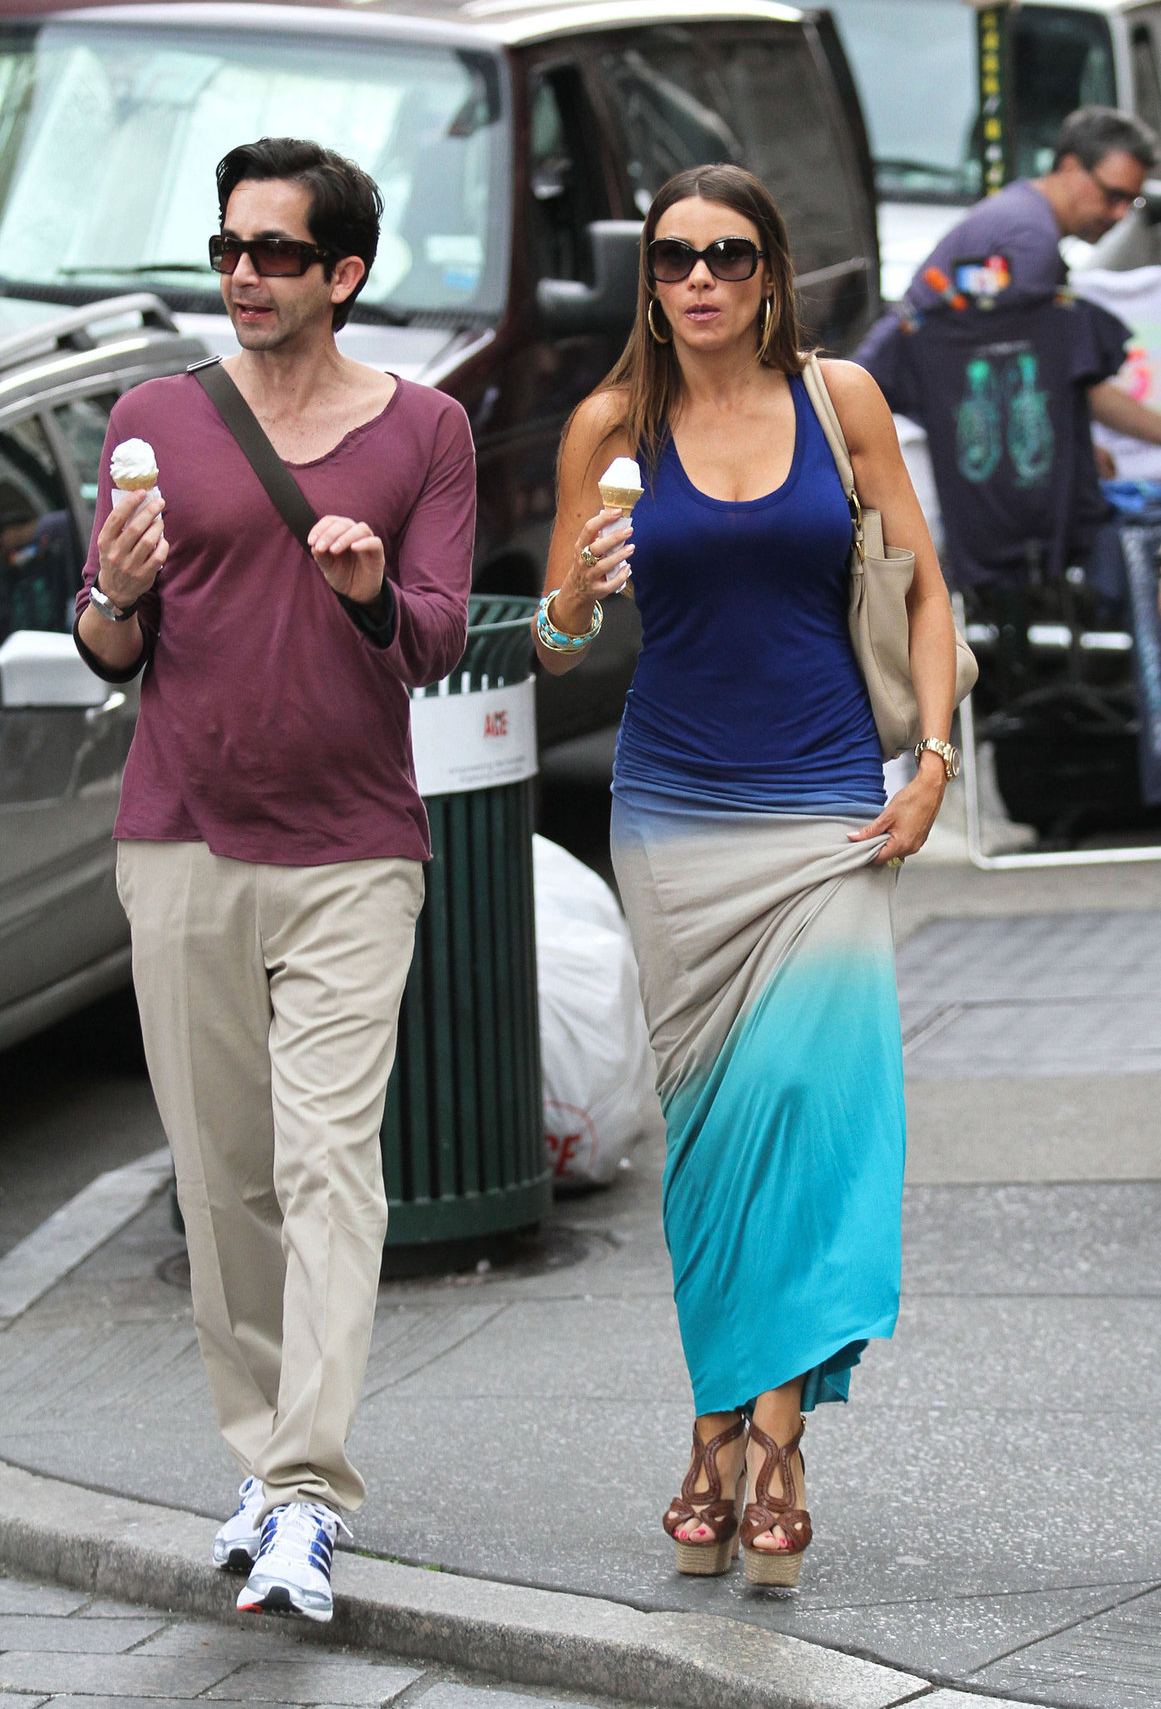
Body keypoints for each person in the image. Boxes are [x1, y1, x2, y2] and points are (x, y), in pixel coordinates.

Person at [537, 163, 958, 1584]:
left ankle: (764, 1438)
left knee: (819, 1114)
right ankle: (725, 1429)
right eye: (670, 260)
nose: (699, 281)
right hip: (673, 819)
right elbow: (554, 641)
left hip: (831, 803)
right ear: (646, 282)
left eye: (726, 255)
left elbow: (916, 581)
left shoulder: (840, 405)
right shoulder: (612, 424)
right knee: (715, 1141)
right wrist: (580, 593)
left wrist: (936, 766)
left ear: (771, 271)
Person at [73, 137, 475, 1621]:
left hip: (352, 848)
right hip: (177, 834)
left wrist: (373, 594)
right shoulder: (154, 418)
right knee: (225, 1178)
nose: (244, 273)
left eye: (278, 253)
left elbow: (437, 634)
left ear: (344, 274)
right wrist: (112, 591)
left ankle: (308, 1490)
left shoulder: (424, 429)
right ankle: (260, 1461)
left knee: (328, 1171)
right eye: (230, 248)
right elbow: (112, 644)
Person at [859, 106, 1161, 464]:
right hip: (901, 429)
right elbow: (1032, 377)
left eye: (1132, 201)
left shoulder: (1023, 214)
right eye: (1113, 196)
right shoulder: (1030, 242)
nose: (1120, 215)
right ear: (1069, 166)